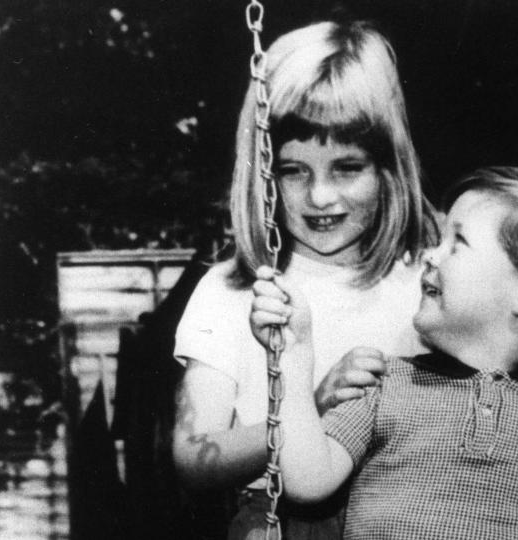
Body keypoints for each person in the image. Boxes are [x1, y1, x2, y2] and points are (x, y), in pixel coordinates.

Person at [251, 167, 518, 539]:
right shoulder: (386, 383)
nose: (430, 256)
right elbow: (307, 480)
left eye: (457, 243)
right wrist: (293, 352)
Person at [171, 20, 439, 539]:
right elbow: (192, 458)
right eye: (293, 171)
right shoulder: (234, 289)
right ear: (262, 173)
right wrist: (306, 412)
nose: (320, 198)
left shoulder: (428, 280)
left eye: (347, 167)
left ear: (388, 168)